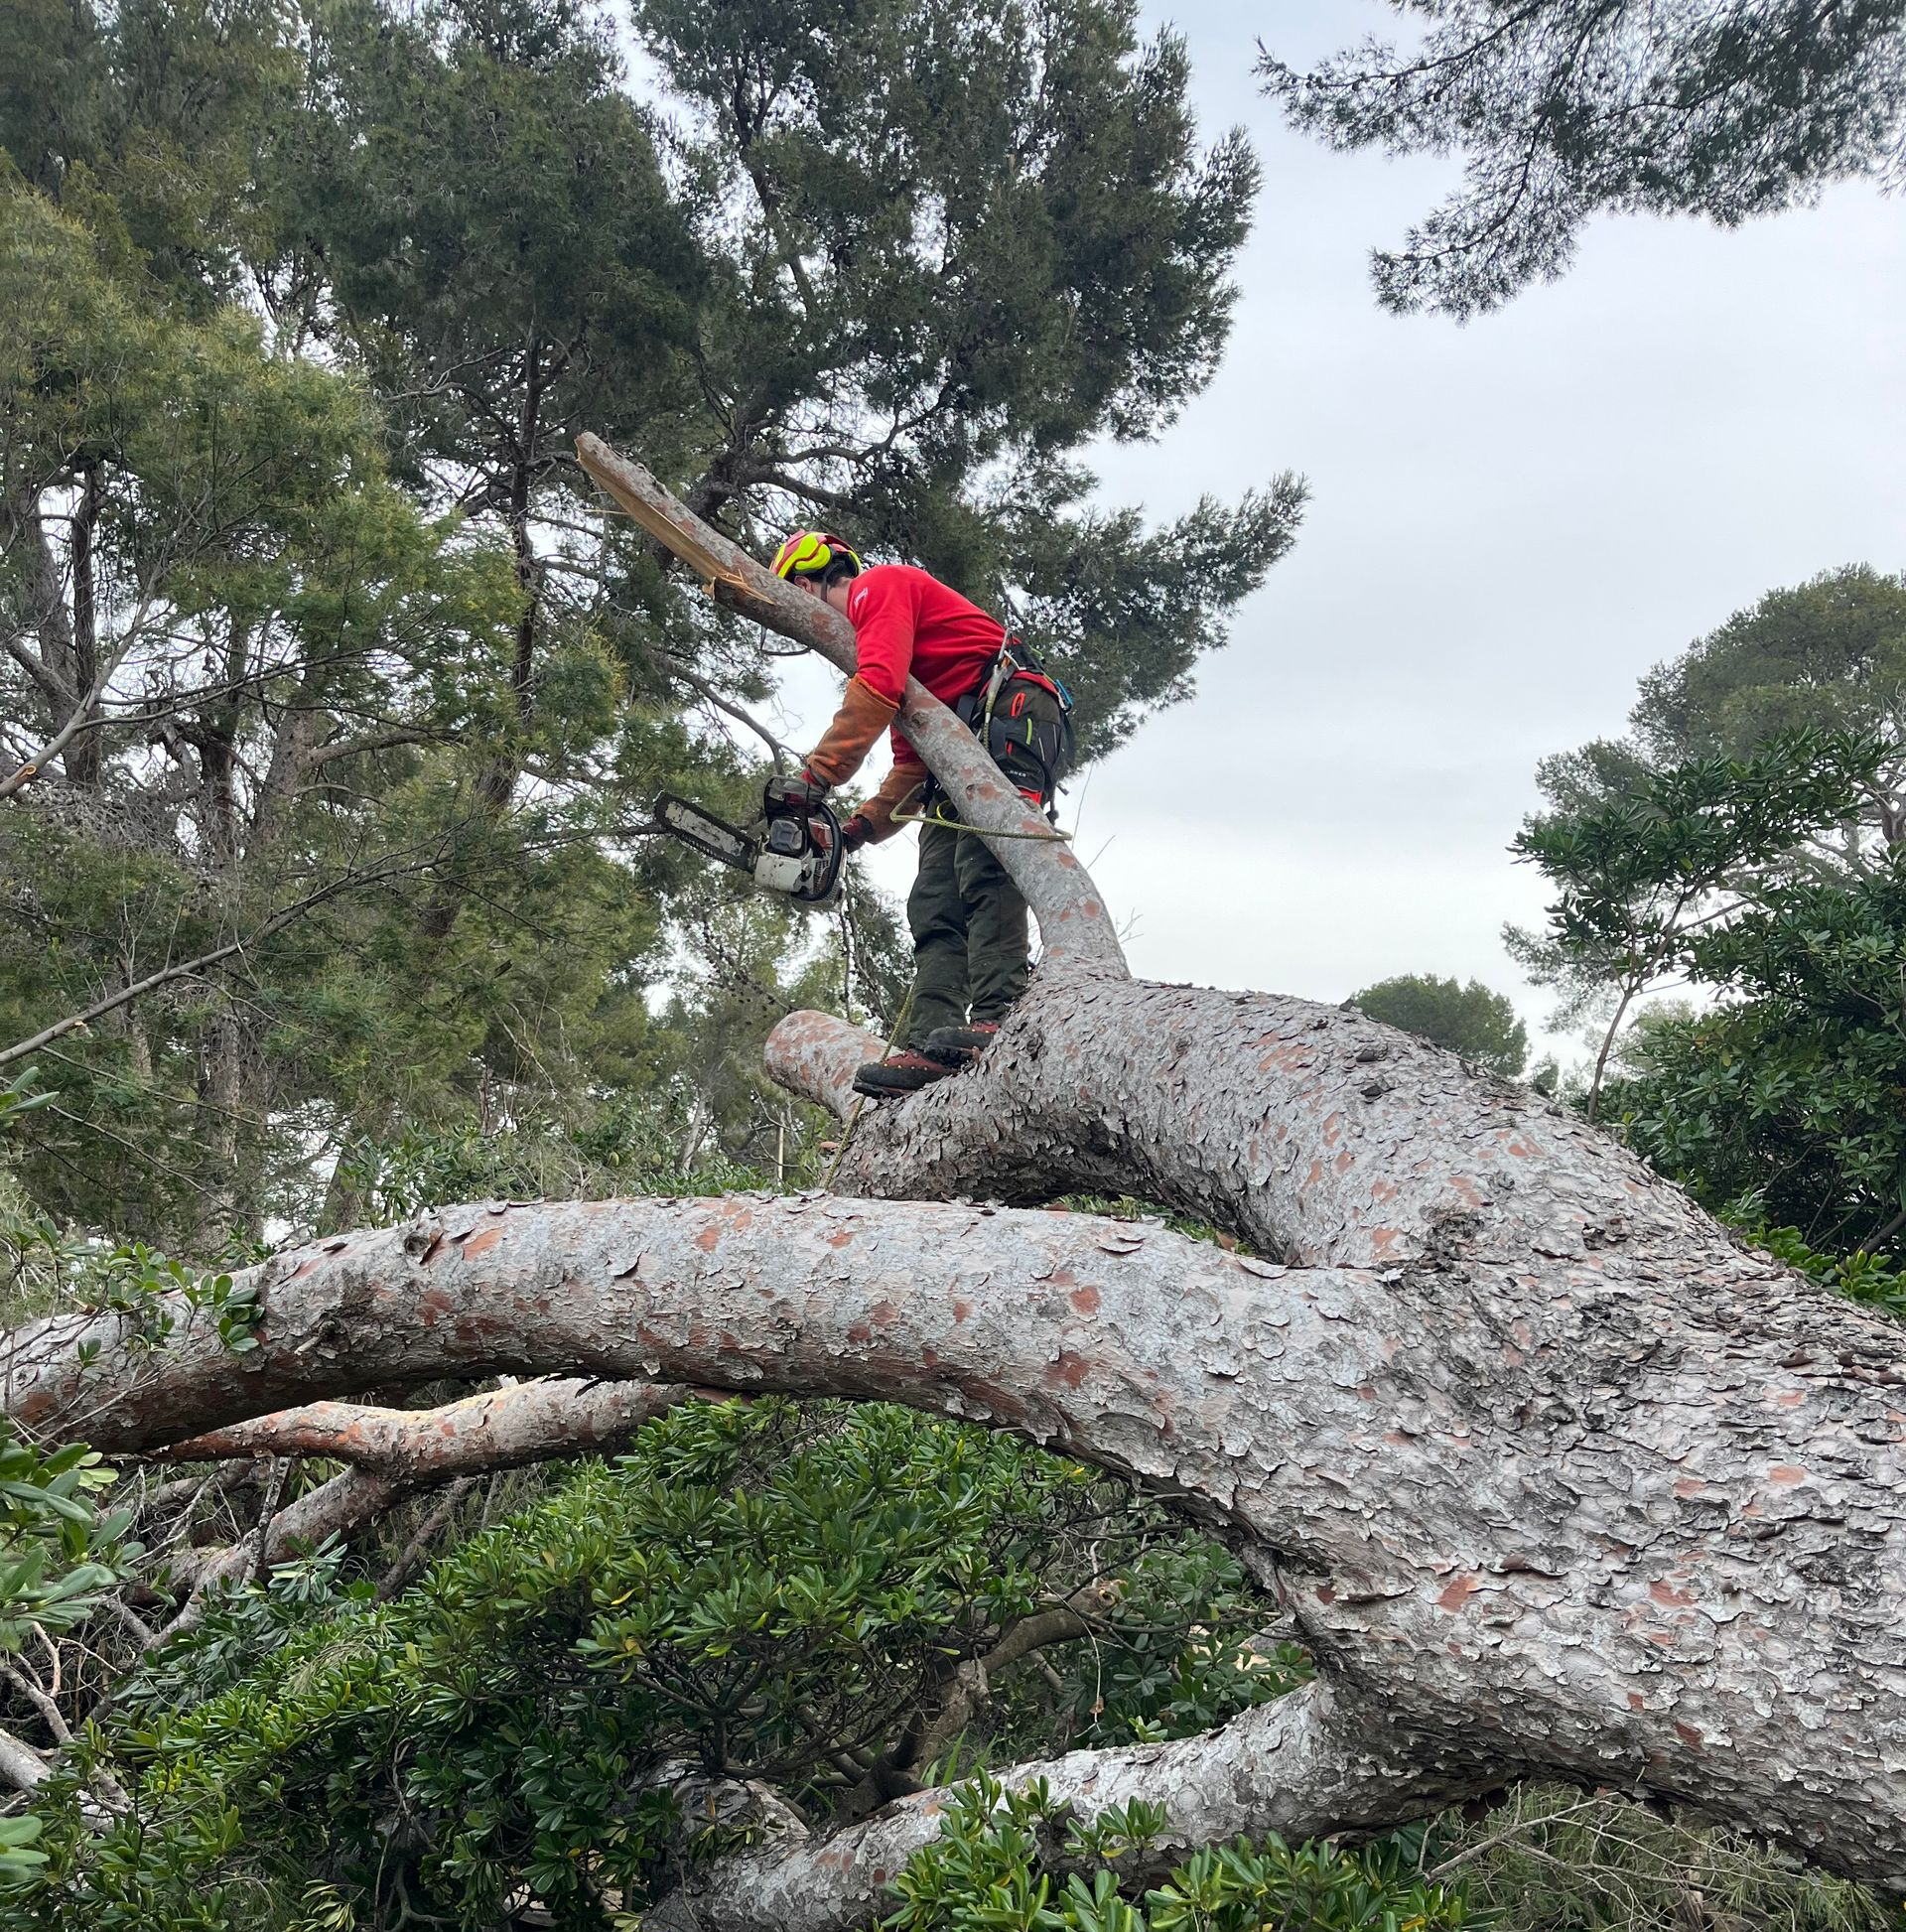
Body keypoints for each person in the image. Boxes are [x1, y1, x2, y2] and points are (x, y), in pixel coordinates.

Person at [769, 529, 1064, 1098]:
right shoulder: (892, 644)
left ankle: (1001, 1015)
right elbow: (909, 768)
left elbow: (876, 687)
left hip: (1010, 713)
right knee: (933, 896)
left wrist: (816, 778)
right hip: (953, 740)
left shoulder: (879, 587)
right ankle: (931, 1043)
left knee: (987, 860)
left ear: (804, 586)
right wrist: (853, 831)